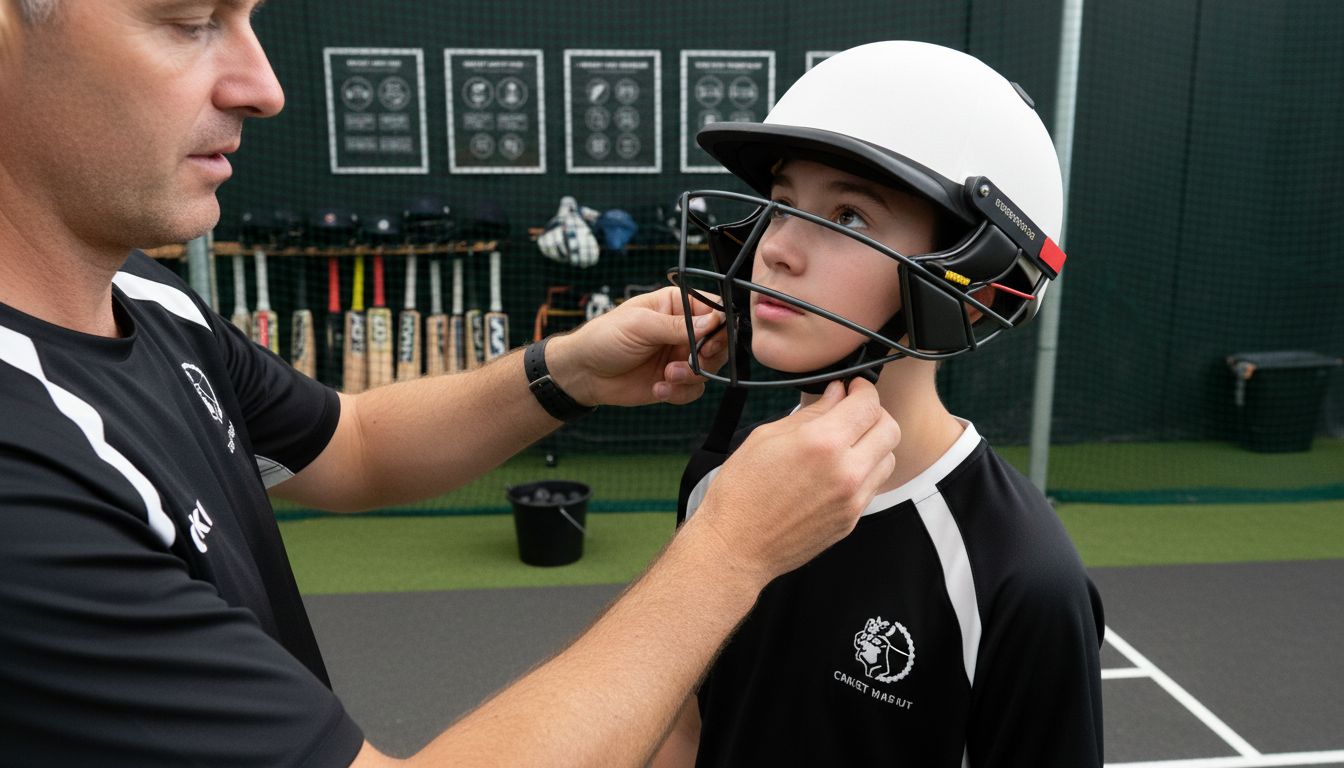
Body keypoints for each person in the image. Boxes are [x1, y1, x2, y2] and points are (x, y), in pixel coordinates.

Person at [0, 2, 903, 766]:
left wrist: (567, 371)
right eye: (190, 21)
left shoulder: (143, 294)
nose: (263, 86)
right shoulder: (21, 470)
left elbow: (352, 445)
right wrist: (731, 551)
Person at [653, 41, 1105, 766]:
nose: (776, 249)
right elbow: (684, 729)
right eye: (781, 203)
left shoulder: (1020, 575)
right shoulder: (727, 484)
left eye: (850, 217)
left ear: (971, 288)